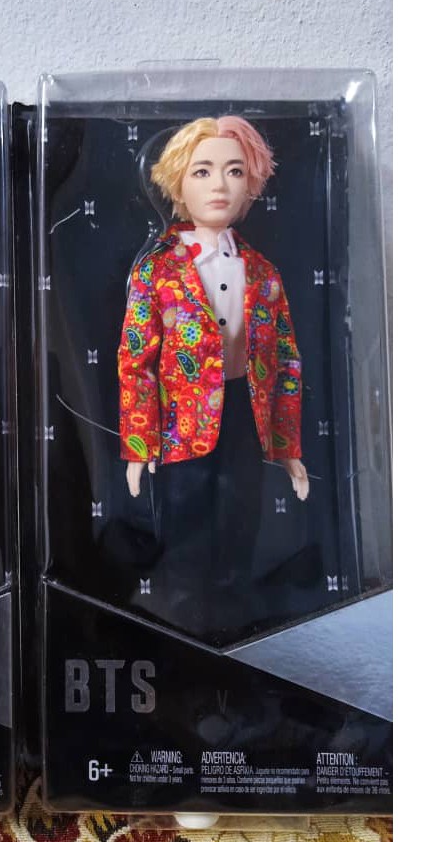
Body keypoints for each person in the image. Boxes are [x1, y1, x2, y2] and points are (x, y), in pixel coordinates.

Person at [117, 116, 307, 630]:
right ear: (177, 182)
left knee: (242, 516)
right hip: (181, 423)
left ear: (252, 183)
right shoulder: (158, 269)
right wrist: (139, 445)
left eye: (234, 171)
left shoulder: (262, 272)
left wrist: (287, 446)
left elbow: (286, 361)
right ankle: (182, 618)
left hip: (246, 414)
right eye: (202, 171)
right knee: (185, 521)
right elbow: (136, 360)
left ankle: (235, 620)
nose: (219, 185)